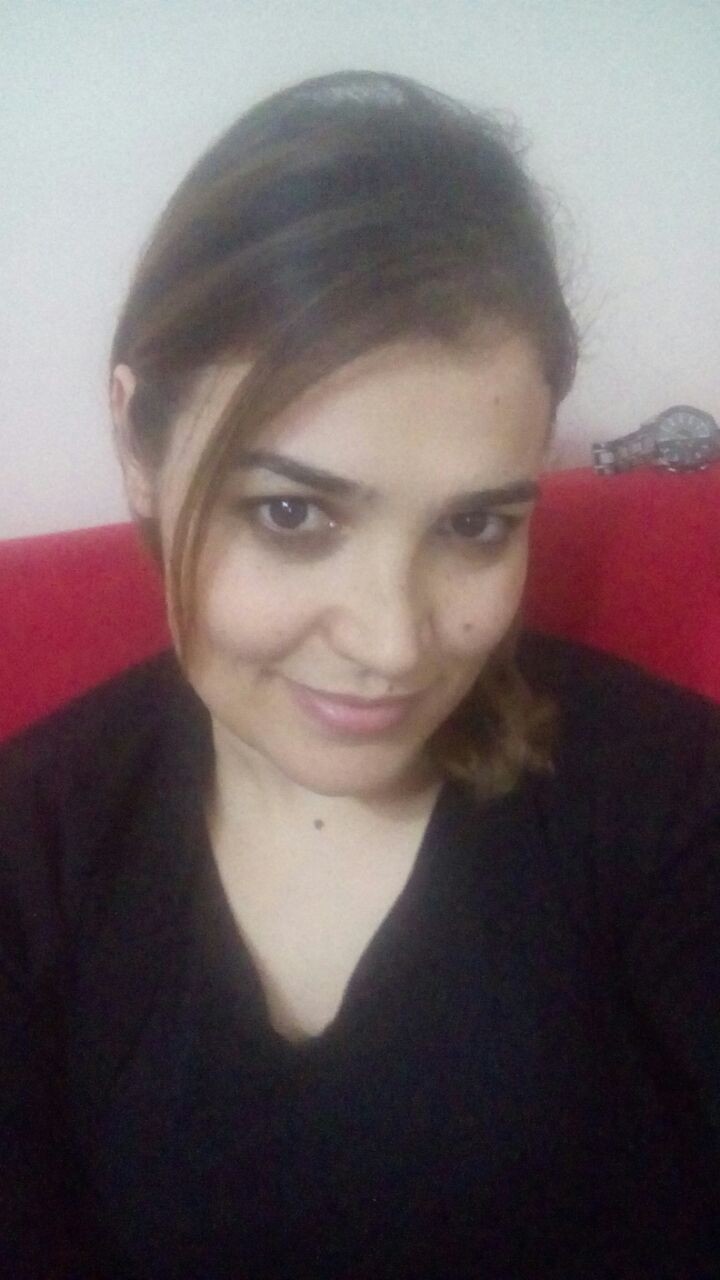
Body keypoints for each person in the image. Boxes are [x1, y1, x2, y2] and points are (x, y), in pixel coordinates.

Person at [1, 69, 719, 1280]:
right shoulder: (30, 853)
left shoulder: (672, 797)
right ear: (137, 441)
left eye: (476, 524)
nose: (396, 643)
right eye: (292, 512)